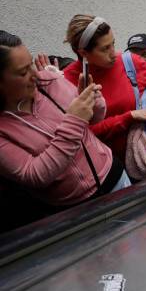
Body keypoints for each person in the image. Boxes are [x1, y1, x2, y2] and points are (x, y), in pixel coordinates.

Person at [0, 30, 130, 207]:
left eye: (31, 64)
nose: (36, 74)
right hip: (74, 208)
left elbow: (95, 119)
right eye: (23, 73)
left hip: (114, 176)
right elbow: (35, 175)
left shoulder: (50, 81)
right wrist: (74, 120)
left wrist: (92, 99)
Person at [63, 15, 146, 164]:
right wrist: (130, 116)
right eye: (105, 49)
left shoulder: (129, 62)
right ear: (84, 53)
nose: (113, 53)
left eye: (113, 44)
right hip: (108, 167)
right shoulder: (67, 81)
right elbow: (84, 134)